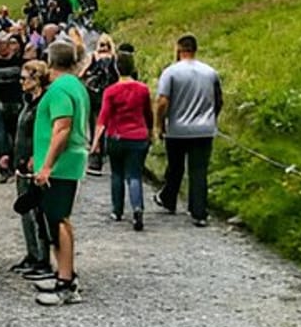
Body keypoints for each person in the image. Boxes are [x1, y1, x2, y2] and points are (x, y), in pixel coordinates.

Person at [32, 40, 90, 306]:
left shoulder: (58, 89)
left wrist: (46, 166)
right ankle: (63, 272)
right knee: (59, 219)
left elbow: (62, 128)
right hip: (70, 161)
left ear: (50, 60)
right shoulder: (77, 86)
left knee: (58, 220)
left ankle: (65, 283)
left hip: (61, 165)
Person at [153, 34, 223, 227]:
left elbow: (163, 101)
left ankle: (169, 199)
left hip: (177, 129)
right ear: (195, 49)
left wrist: (160, 124)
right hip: (204, 129)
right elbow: (218, 100)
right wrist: (212, 118)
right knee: (199, 170)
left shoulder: (171, 72)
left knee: (175, 167)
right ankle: (198, 211)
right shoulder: (210, 72)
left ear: (179, 49)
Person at [91, 52, 153, 231]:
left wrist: (95, 142)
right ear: (133, 67)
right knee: (134, 175)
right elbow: (148, 113)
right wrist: (150, 130)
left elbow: (103, 118)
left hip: (116, 137)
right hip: (138, 136)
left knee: (117, 173)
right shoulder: (143, 89)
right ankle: (137, 207)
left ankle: (117, 210)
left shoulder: (111, 91)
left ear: (116, 68)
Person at [10, 60, 52, 278]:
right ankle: (31, 253)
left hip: (34, 164)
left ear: (36, 79)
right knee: (25, 212)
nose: (21, 82)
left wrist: (38, 157)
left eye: (24, 78)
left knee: (38, 213)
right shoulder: (27, 102)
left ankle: (42, 258)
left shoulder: (43, 104)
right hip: (21, 162)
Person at [0, 34, 25, 182]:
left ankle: (16, 165)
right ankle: (3, 166)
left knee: (17, 134)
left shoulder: (19, 61)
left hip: (17, 101)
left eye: (4, 44)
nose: (2, 48)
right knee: (1, 134)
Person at [81, 34, 120, 176]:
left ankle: (96, 154)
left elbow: (82, 73)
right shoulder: (114, 59)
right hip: (110, 93)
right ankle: (105, 152)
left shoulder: (93, 56)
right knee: (108, 123)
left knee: (95, 123)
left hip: (95, 93)